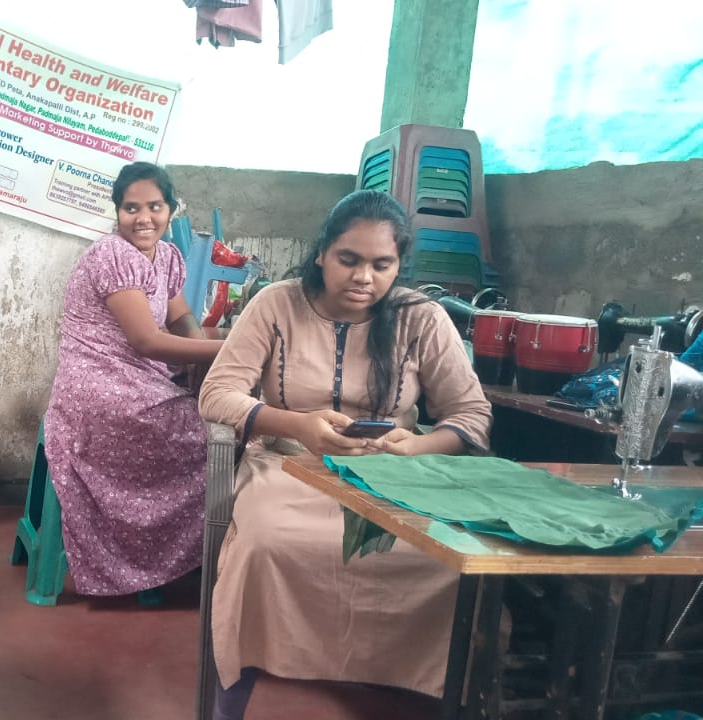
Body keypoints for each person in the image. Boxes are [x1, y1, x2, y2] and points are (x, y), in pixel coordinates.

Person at [197, 189, 493, 719]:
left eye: (382, 265)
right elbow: (216, 394)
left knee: (445, 559)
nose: (363, 278)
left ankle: (425, 690)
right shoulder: (277, 304)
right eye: (349, 259)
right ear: (322, 254)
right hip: (287, 465)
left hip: (393, 477)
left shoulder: (421, 318)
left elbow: (471, 415)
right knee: (265, 544)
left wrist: (419, 446)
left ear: (399, 265)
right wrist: (297, 425)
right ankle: (232, 692)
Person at [43, 161, 223, 599]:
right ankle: (155, 556)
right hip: (99, 387)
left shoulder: (166, 256)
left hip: (139, 378)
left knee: (217, 426)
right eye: (131, 208)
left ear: (171, 209)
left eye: (155, 207)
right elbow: (147, 341)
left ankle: (171, 554)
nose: (144, 218)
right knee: (216, 439)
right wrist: (227, 350)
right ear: (117, 212)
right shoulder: (113, 254)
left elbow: (181, 318)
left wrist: (200, 353)